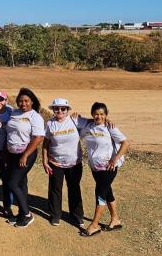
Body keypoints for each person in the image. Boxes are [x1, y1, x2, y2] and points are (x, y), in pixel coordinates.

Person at [78, 102, 130, 237]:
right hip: (95, 168)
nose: (99, 116)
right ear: (92, 114)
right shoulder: (88, 125)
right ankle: (115, 220)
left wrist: (115, 159)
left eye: (102, 114)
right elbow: (72, 119)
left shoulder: (110, 127)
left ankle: (94, 225)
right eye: (96, 114)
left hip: (109, 168)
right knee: (107, 193)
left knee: (100, 192)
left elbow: (126, 143)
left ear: (106, 115)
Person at [4, 88, 45, 228]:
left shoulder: (35, 117)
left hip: (26, 154)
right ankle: (21, 213)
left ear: (32, 101)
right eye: (20, 101)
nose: (23, 103)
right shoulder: (14, 112)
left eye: (26, 101)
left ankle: (27, 215)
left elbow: (38, 137)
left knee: (12, 183)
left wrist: (25, 155)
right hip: (11, 154)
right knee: (21, 183)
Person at [42, 98, 85, 227]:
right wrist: (44, 161)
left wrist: (107, 120)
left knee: (74, 188)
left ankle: (77, 216)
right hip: (55, 163)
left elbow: (95, 122)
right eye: (56, 108)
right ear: (53, 110)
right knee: (55, 189)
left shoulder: (75, 120)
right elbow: (45, 144)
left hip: (74, 163)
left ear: (67, 110)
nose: (59, 111)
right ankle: (55, 215)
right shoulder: (49, 124)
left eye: (63, 108)